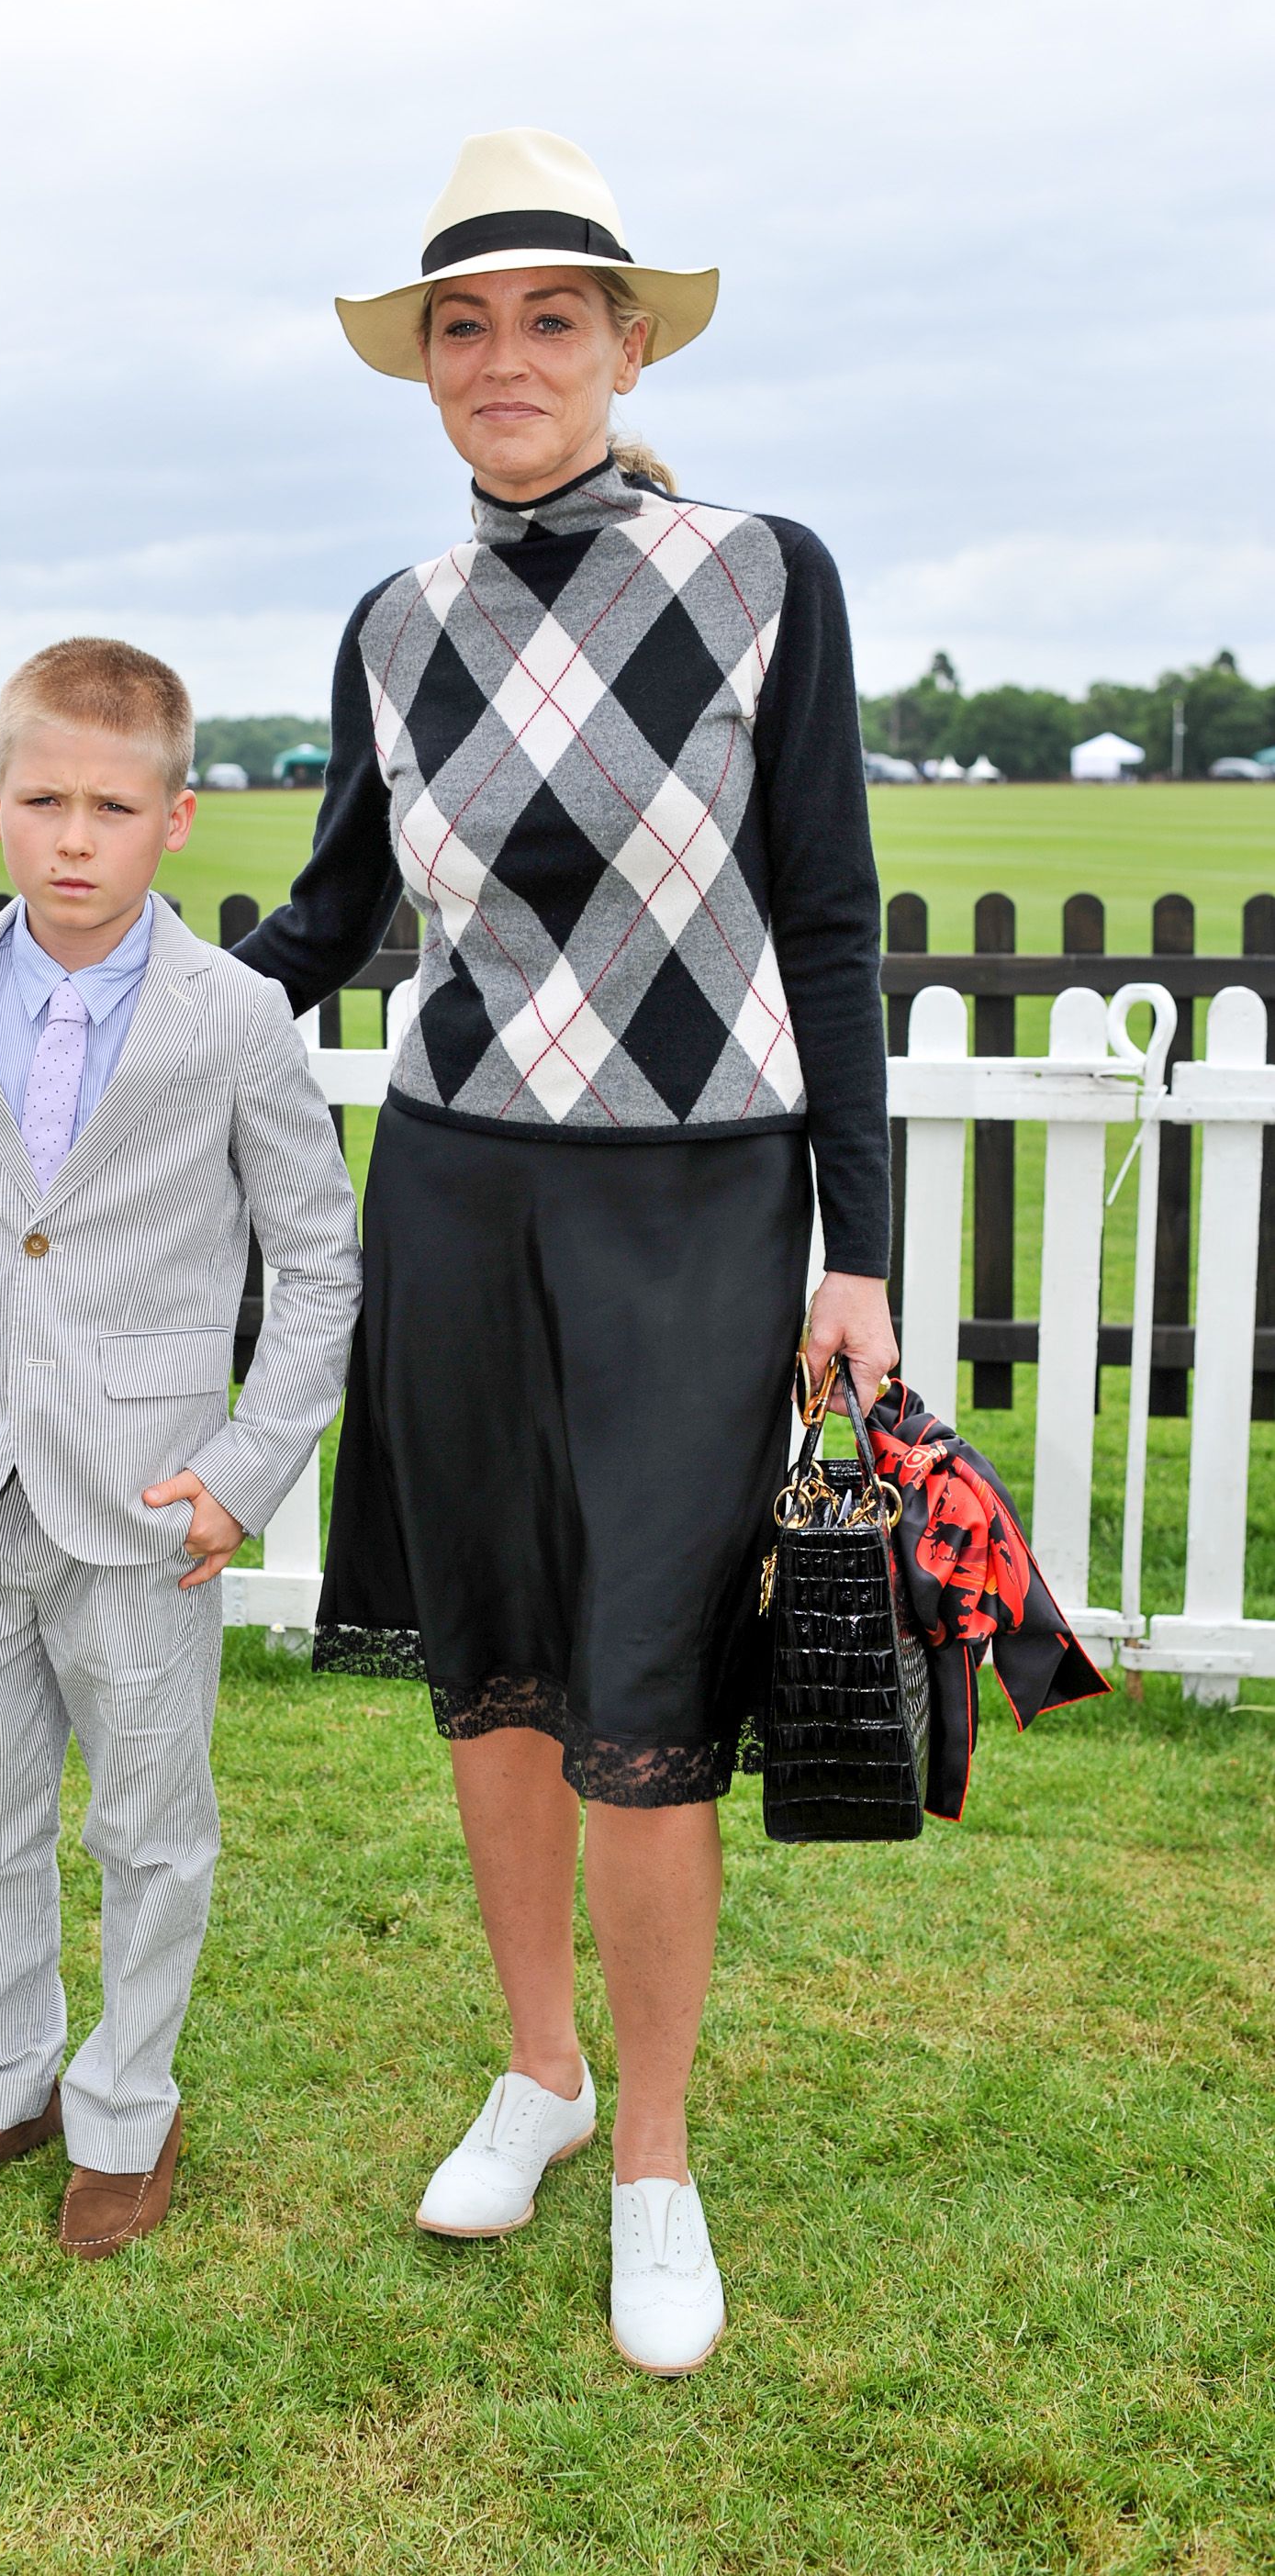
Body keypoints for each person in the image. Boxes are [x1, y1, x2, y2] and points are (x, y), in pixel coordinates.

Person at [236, 130, 897, 2372]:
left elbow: (824, 921)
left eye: (547, 318)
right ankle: (536, 2069)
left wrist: (858, 1249)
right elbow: (333, 920)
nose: (501, 358)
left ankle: (653, 2163)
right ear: (421, 371)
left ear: (624, 345)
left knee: (644, 1693)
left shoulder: (757, 576)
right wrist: (116, 990)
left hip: (695, 1204)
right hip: (454, 1187)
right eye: (460, 325)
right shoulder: (390, 626)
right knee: (494, 1659)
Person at [0, 636, 360, 2257]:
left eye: (111, 806)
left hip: (149, 1499)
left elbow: (316, 1261)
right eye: (42, 798)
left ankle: (128, 2103)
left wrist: (247, 1470)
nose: (72, 836)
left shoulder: (238, 1015)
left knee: (147, 1822)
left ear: (175, 821)